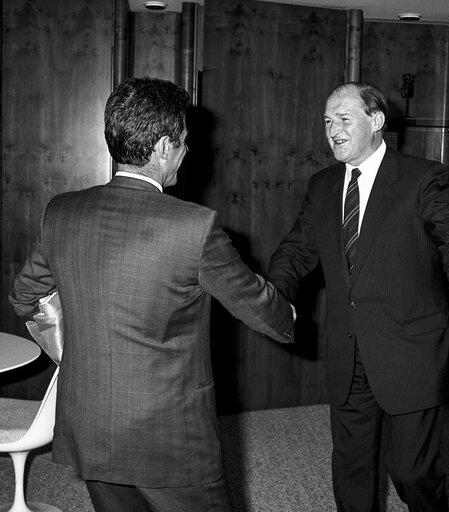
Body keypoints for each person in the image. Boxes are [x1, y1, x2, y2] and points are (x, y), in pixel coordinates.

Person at [9, 76, 294, 512]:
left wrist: (70, 345)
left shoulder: (61, 212)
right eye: (183, 142)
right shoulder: (193, 227)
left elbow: (26, 297)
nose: (186, 151)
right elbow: (260, 308)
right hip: (169, 441)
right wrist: (290, 315)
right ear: (163, 146)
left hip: (89, 422)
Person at [268, 82, 449, 512]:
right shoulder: (322, 185)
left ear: (377, 121)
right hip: (348, 349)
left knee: (411, 473)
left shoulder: (422, 176)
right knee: (351, 470)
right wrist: (276, 295)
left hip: (411, 349)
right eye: (327, 121)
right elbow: (296, 251)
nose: (332, 129)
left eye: (344, 119)